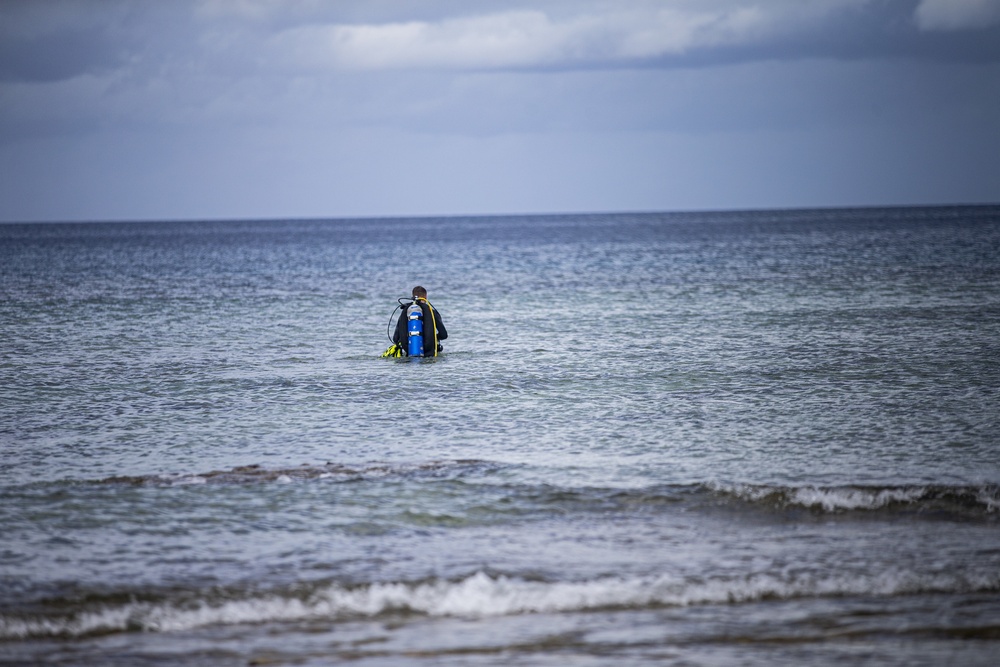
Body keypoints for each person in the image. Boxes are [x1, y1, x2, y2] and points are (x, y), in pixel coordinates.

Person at [392, 286, 447, 356]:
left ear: (413, 296)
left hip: (410, 351)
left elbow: (395, 338)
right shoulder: (431, 312)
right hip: (429, 353)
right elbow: (444, 335)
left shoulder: (406, 311)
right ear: (425, 297)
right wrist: (433, 337)